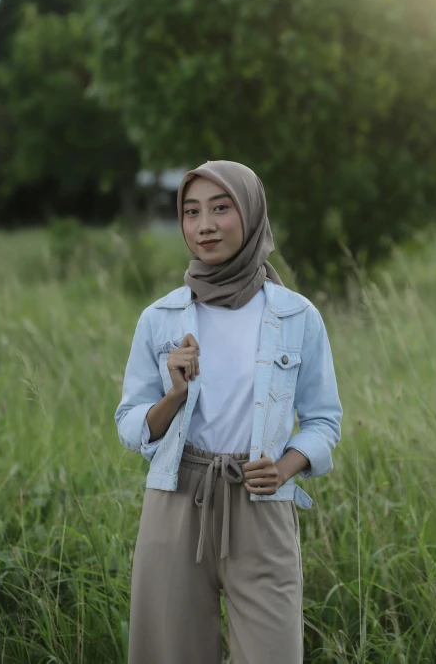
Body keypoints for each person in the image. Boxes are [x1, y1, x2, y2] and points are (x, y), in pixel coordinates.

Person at [114, 160, 343, 664]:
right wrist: (172, 397)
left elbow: (325, 420)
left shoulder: (296, 316)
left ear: (253, 213)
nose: (205, 225)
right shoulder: (160, 317)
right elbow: (130, 424)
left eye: (222, 208)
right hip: (176, 499)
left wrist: (287, 465)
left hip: (261, 502)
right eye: (191, 212)